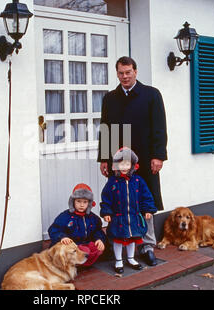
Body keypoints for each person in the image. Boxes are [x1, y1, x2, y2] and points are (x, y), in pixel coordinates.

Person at [97, 56, 167, 266]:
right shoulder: (110, 98)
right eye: (121, 73)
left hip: (145, 158)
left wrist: (158, 156)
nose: (124, 76)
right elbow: (106, 129)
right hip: (119, 160)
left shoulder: (151, 95)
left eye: (128, 72)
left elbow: (159, 127)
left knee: (145, 199)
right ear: (117, 73)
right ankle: (119, 243)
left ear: (135, 71)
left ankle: (146, 245)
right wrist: (104, 158)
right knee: (119, 198)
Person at [100, 147, 157, 273]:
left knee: (132, 238)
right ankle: (118, 260)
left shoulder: (138, 181)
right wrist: (106, 212)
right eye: (121, 163)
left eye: (127, 163)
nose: (124, 166)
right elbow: (106, 198)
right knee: (118, 239)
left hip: (133, 216)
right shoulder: (112, 182)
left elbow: (146, 196)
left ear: (132, 165)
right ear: (116, 165)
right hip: (118, 217)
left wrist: (148, 209)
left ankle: (131, 258)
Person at [48, 183, 106, 267]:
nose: (82, 205)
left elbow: (97, 231)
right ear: (73, 202)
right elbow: (54, 229)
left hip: (85, 243)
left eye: (85, 202)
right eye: (78, 201)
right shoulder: (65, 216)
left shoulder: (93, 218)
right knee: (84, 251)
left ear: (89, 204)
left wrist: (99, 239)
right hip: (72, 245)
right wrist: (63, 237)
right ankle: (74, 263)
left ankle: (82, 262)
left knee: (97, 248)